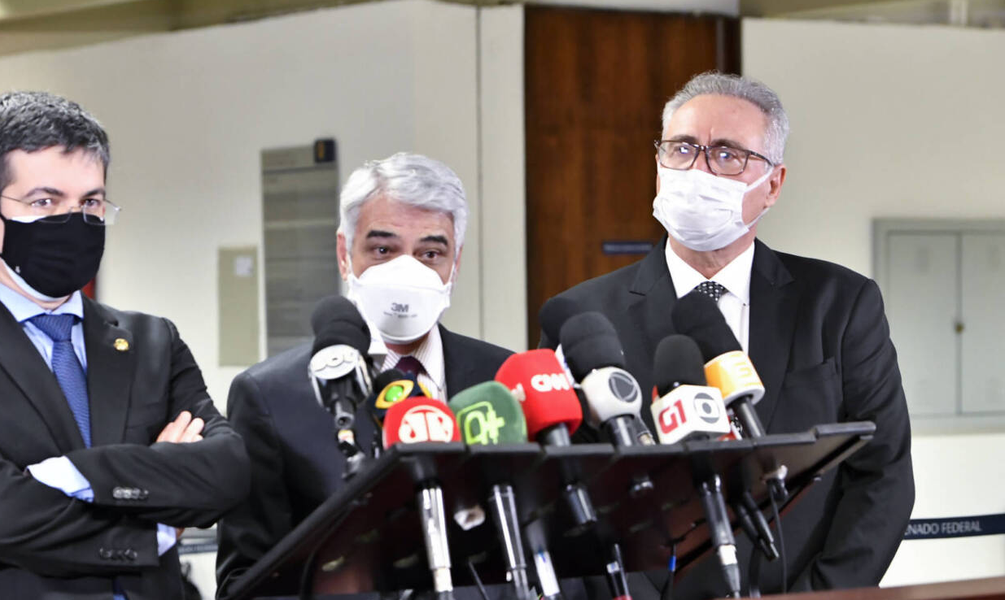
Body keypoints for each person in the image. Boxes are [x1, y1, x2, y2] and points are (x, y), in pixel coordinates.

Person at [541, 72, 914, 597]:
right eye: (682, 148)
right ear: (658, 165)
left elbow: (883, 476)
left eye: (726, 154)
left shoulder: (839, 304)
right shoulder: (580, 316)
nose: (698, 169)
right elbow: (561, 493)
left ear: (774, 184)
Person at [0, 91, 249, 599]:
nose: (76, 221)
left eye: (90, 202)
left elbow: (225, 474)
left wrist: (69, 475)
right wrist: (155, 522)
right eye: (45, 202)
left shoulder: (152, 342)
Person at [215, 152, 513, 596]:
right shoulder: (269, 397)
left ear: (456, 262)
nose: (408, 271)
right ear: (344, 253)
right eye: (383, 249)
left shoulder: (503, 380)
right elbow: (246, 583)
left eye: (430, 253)